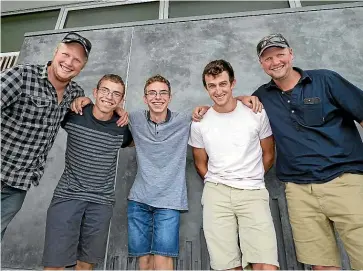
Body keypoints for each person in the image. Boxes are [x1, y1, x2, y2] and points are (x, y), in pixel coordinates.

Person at [73, 74, 262, 270]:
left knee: (163, 262)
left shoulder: (185, 120)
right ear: (145, 98)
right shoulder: (135, 119)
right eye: (152, 93)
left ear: (170, 97)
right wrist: (85, 100)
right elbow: (108, 109)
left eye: (163, 93)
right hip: (139, 201)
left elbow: (220, 107)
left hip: (169, 202)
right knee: (144, 262)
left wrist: (242, 99)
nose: (157, 97)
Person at [253, 33, 363, 270]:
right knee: (320, 265)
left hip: (344, 181)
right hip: (299, 191)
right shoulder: (262, 97)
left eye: (280, 55)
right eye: (268, 58)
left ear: (291, 54)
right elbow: (236, 110)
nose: (275, 62)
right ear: (262, 64)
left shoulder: (326, 80)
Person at [188, 59, 279, 270]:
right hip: (216, 194)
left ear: (232, 83)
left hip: (252, 191)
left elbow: (269, 154)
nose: (218, 90)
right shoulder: (200, 122)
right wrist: (220, 181)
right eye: (212, 85)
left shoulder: (255, 113)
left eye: (222, 84)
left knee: (265, 264)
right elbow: (200, 163)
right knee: (226, 265)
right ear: (206, 88)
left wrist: (250, 175)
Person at [0, 32, 92, 240]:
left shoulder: (74, 93)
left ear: (82, 67)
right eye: (66, 54)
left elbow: (94, 116)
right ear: (55, 52)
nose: (69, 62)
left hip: (18, 184)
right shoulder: (21, 76)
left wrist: (118, 112)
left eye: (76, 60)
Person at [42, 74, 133, 270]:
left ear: (122, 100)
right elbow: (53, 100)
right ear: (95, 92)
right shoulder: (75, 114)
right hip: (68, 196)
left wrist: (120, 112)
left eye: (116, 94)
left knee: (85, 265)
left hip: (101, 203)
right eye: (105, 91)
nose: (109, 96)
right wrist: (80, 100)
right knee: (55, 265)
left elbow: (139, 141)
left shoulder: (122, 128)